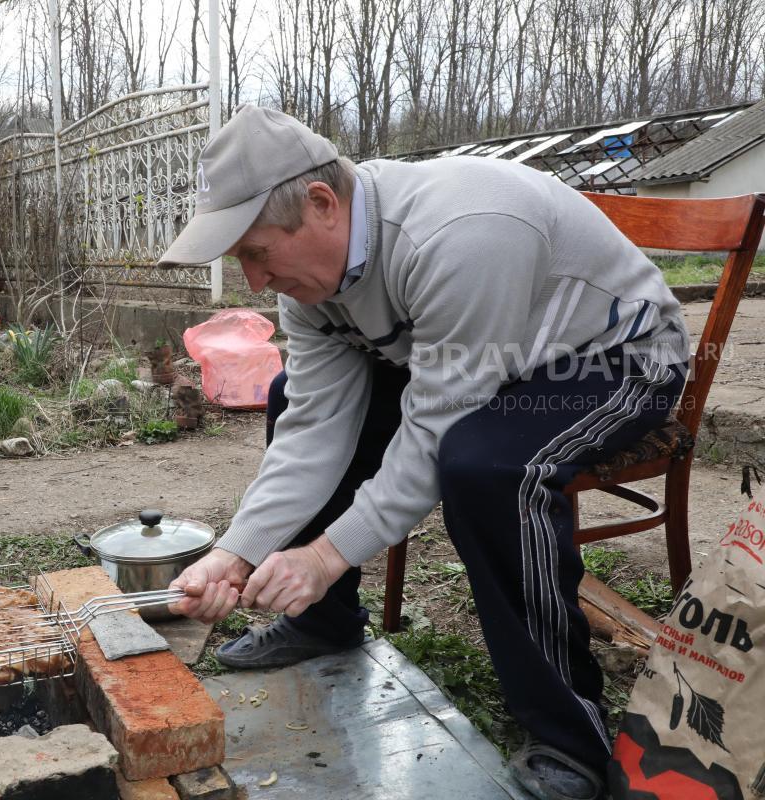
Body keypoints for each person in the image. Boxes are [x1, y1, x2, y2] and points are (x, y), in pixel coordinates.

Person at [162, 105, 689, 800]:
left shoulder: (462, 235)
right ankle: (323, 620)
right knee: (294, 392)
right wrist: (239, 550)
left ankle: (570, 736)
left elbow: (438, 426)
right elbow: (319, 423)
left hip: (605, 359)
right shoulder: (310, 284)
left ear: (322, 204)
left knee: (488, 465)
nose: (255, 283)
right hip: (481, 358)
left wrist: (324, 554)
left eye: (257, 253)